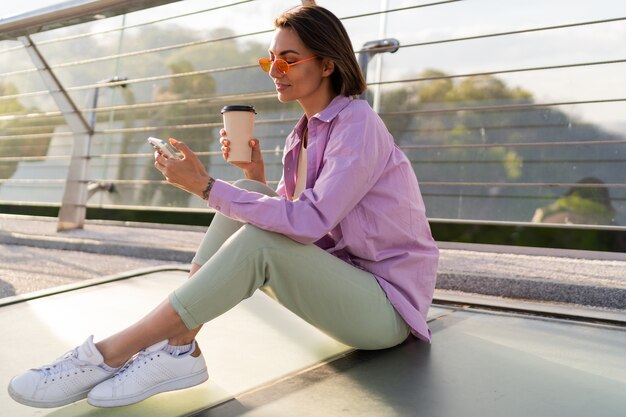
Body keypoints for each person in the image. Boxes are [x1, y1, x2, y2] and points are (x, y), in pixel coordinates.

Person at [8, 5, 438, 409]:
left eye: (288, 60)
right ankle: (179, 347)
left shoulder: (358, 122)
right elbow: (305, 225)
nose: (275, 71)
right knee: (244, 192)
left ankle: (111, 352)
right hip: (344, 289)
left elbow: (307, 225)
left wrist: (207, 186)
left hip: (387, 311)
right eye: (270, 60)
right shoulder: (300, 137)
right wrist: (256, 181)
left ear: (328, 64)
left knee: (244, 217)